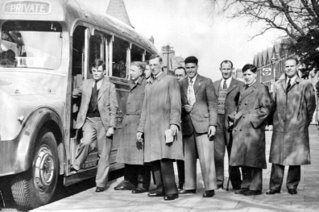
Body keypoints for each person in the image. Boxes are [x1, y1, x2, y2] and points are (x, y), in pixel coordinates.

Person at [266, 57, 316, 195]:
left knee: (295, 158)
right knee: (277, 158)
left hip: (297, 127)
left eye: (291, 66)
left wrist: (303, 122)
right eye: (287, 66)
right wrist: (272, 122)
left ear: (297, 67)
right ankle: (275, 186)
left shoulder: (305, 84)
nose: (289, 69)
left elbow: (311, 105)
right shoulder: (277, 85)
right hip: (280, 126)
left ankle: (292, 186)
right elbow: (272, 105)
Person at [137, 55, 183, 201]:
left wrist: (174, 123)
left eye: (155, 65)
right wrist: (140, 129)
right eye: (150, 65)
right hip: (151, 127)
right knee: (154, 158)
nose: (153, 67)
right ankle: (159, 188)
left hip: (164, 125)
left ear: (161, 64)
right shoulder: (148, 84)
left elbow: (176, 103)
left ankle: (171, 190)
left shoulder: (170, 80)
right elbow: (144, 108)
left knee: (165, 158)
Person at [72, 59, 118, 192]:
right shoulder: (86, 83)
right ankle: (77, 163)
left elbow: (114, 108)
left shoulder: (110, 86)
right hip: (88, 120)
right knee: (86, 142)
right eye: (94, 71)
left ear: (104, 71)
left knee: (104, 154)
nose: (96, 73)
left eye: (99, 71)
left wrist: (111, 126)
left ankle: (100, 184)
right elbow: (76, 92)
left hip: (104, 122)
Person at [228, 64, 272, 196]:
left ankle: (256, 187)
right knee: (243, 158)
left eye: (249, 74)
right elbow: (240, 108)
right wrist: (233, 116)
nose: (246, 77)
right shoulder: (242, 88)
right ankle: (246, 185)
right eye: (245, 74)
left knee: (254, 159)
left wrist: (250, 118)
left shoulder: (261, 88)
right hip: (242, 128)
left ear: (255, 75)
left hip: (253, 129)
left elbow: (266, 109)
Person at [179, 56, 218, 198]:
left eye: (192, 67)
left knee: (206, 158)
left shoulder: (206, 82)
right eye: (187, 68)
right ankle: (189, 186)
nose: (190, 70)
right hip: (188, 125)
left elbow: (213, 105)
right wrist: (185, 108)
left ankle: (210, 187)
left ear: (197, 67)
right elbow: (179, 105)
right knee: (188, 158)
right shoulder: (181, 83)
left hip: (203, 124)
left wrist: (212, 124)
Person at [114, 61, 150, 193]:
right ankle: (129, 181)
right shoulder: (132, 84)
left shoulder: (146, 85)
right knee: (128, 154)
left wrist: (142, 126)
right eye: (130, 70)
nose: (130, 72)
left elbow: (146, 107)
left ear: (141, 72)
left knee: (140, 155)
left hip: (138, 122)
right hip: (129, 123)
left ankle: (142, 183)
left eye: (133, 70)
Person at [213, 60, 243, 190]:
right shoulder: (214, 85)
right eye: (223, 69)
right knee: (218, 155)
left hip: (232, 125)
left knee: (233, 154)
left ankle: (236, 182)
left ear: (232, 69)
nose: (225, 71)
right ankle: (219, 181)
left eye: (228, 69)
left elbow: (243, 105)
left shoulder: (240, 85)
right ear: (220, 69)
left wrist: (235, 117)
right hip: (217, 124)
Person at [174, 66, 187, 189]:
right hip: (176, 126)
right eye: (176, 75)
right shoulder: (173, 88)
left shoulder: (187, 89)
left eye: (180, 75)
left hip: (186, 126)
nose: (178, 78)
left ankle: (185, 182)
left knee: (185, 156)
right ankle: (181, 182)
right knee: (179, 156)